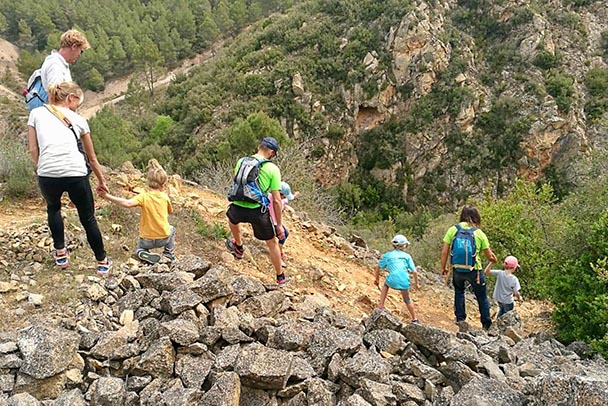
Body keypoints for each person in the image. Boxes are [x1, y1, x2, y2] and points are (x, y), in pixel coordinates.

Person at [27, 81, 111, 275]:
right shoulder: (79, 120)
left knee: (53, 208)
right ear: (70, 98)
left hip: (47, 174)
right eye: (78, 102)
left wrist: (41, 166)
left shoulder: (36, 113)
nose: (77, 107)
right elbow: (92, 158)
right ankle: (102, 261)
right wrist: (101, 181)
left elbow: (33, 148)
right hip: (76, 173)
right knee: (88, 218)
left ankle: (61, 254)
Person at [225, 137, 288, 286]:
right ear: (272, 153)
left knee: (231, 218)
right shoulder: (272, 169)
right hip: (257, 211)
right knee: (272, 242)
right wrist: (279, 225)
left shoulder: (241, 161)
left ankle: (238, 246)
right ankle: (280, 277)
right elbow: (277, 201)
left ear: (259, 147)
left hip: (238, 206)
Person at [100, 159, 176, 264]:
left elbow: (127, 203)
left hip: (147, 239)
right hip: (164, 237)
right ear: (164, 184)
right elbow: (170, 212)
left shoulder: (144, 197)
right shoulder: (165, 197)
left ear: (148, 182)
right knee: (172, 229)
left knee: (138, 248)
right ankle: (169, 254)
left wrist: (107, 196)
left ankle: (142, 252)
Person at [440, 204, 497, 330]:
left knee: (459, 292)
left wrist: (443, 267)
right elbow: (489, 256)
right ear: (476, 217)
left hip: (457, 269)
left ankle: (460, 320)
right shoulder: (479, 233)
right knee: (481, 297)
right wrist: (493, 259)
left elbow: (444, 251)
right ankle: (486, 325)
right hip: (475, 271)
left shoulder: (453, 230)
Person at [374, 234, 420, 323]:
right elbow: (414, 272)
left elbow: (377, 267)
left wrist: (377, 279)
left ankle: (381, 305)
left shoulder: (388, 255)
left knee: (386, 285)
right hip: (404, 282)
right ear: (404, 245)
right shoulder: (407, 256)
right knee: (407, 300)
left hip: (392, 281)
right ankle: (414, 319)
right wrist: (416, 284)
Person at [268, 181, 299, 267]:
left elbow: (288, 198)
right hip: (271, 223)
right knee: (283, 236)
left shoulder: (278, 199)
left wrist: (295, 195)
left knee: (286, 233)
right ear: (280, 195)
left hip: (274, 222)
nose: (284, 197)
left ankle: (280, 251)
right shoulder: (272, 199)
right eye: (284, 196)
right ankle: (278, 256)